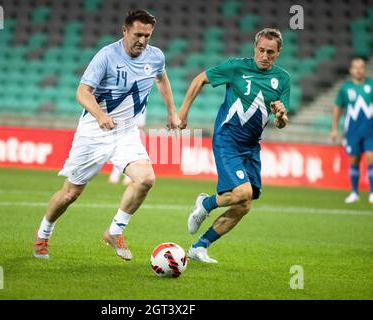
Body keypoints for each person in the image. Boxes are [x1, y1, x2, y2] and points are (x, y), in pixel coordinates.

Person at [33, 10, 181, 260]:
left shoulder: (155, 57)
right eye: (137, 34)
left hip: (126, 133)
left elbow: (162, 79)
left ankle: (114, 232)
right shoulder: (106, 56)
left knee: (145, 179)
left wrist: (171, 112)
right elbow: (82, 92)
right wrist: (100, 116)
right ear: (124, 31)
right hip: (93, 133)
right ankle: (43, 234)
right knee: (70, 194)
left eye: (147, 35)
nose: (142, 40)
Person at [178, 28, 290, 263]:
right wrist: (183, 112)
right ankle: (205, 203)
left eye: (271, 52)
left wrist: (280, 116)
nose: (265, 56)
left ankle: (199, 247)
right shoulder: (235, 67)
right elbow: (201, 79)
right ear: (254, 48)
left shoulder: (282, 79)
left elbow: (282, 123)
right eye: (261, 50)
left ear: (278, 53)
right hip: (227, 140)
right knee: (243, 192)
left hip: (251, 147)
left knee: (244, 205)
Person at [331, 58, 373, 204]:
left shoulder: (371, 85)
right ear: (351, 70)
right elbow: (338, 108)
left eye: (361, 67)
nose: (359, 70)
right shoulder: (345, 88)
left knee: (370, 158)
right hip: (352, 132)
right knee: (354, 160)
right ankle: (354, 192)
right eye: (355, 67)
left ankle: (372, 193)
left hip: (370, 131)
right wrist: (334, 128)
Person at [108, 111, 147, 185]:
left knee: (131, 153)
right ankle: (116, 174)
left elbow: (141, 125)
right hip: (122, 130)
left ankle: (127, 176)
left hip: (132, 133)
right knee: (120, 151)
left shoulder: (141, 103)